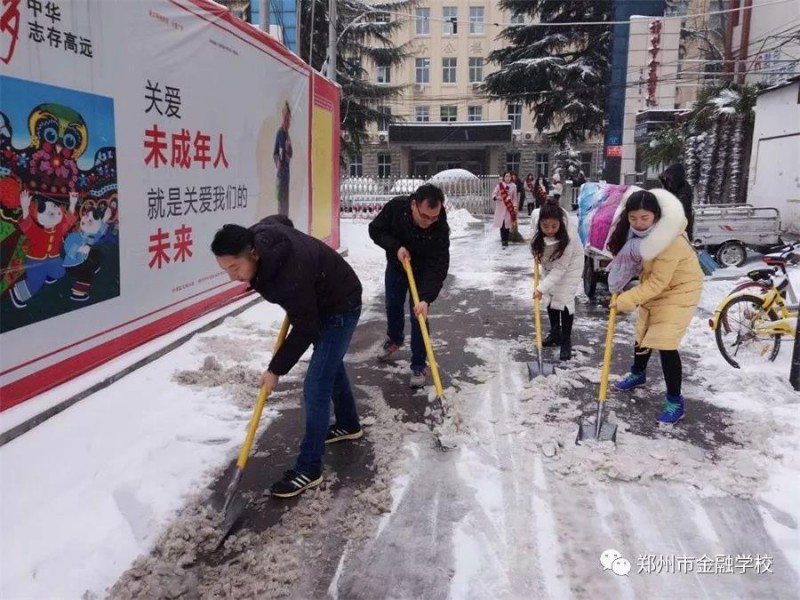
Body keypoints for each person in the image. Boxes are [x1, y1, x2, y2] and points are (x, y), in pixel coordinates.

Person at [211, 215, 363, 498]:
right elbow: (282, 221)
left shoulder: (288, 277)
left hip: (340, 305)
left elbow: (306, 327)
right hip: (316, 298)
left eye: (235, 267)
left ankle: (309, 468)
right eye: (225, 269)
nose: (232, 276)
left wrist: (276, 368)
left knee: (316, 386)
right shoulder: (258, 234)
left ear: (253, 252)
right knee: (329, 365)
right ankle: (348, 424)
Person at [607, 189, 702, 424]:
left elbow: (659, 282)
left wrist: (626, 300)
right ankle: (638, 373)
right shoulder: (639, 234)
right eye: (633, 218)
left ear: (656, 216)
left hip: (680, 290)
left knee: (664, 341)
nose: (638, 223)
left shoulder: (670, 241)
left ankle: (674, 401)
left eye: (644, 218)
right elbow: (637, 263)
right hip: (657, 285)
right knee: (643, 331)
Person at [368, 184, 450, 388]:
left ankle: (419, 363)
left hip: (423, 271)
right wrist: (396, 247)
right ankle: (395, 338)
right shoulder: (396, 208)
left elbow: (439, 264)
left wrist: (426, 298)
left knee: (419, 315)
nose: (429, 222)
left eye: (434, 217)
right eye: (424, 217)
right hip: (398, 264)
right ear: (414, 205)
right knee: (393, 304)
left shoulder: (439, 225)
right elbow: (375, 230)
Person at [530, 203, 583, 360]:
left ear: (560, 223)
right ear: (539, 224)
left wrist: (540, 288)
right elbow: (533, 246)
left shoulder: (569, 236)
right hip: (550, 262)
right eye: (545, 226)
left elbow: (561, 268)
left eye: (554, 226)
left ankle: (566, 340)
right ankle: (555, 334)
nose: (550, 230)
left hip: (570, 264)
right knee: (551, 295)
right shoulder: (536, 226)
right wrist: (536, 252)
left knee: (564, 298)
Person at [659, 163, 694, 241]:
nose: (668, 182)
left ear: (676, 178)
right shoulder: (674, 189)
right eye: (667, 180)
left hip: (681, 230)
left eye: (670, 180)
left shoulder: (684, 191)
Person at [273, 102, 293, 217]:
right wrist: (278, 163)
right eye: (286, 119)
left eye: (289, 119)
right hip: (281, 175)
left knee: (286, 204)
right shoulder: (279, 133)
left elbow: (291, 154)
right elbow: (275, 153)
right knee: (281, 203)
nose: (287, 122)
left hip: (287, 175)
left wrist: (288, 148)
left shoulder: (288, 135)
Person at [493, 171, 518, 248]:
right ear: (504, 177)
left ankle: (506, 240)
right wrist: (498, 198)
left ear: (511, 177)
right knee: (502, 225)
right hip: (501, 207)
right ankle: (503, 241)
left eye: (509, 176)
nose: (508, 178)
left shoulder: (514, 186)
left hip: (509, 208)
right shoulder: (499, 185)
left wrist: (515, 206)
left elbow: (515, 198)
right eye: (506, 176)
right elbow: (494, 195)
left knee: (507, 225)